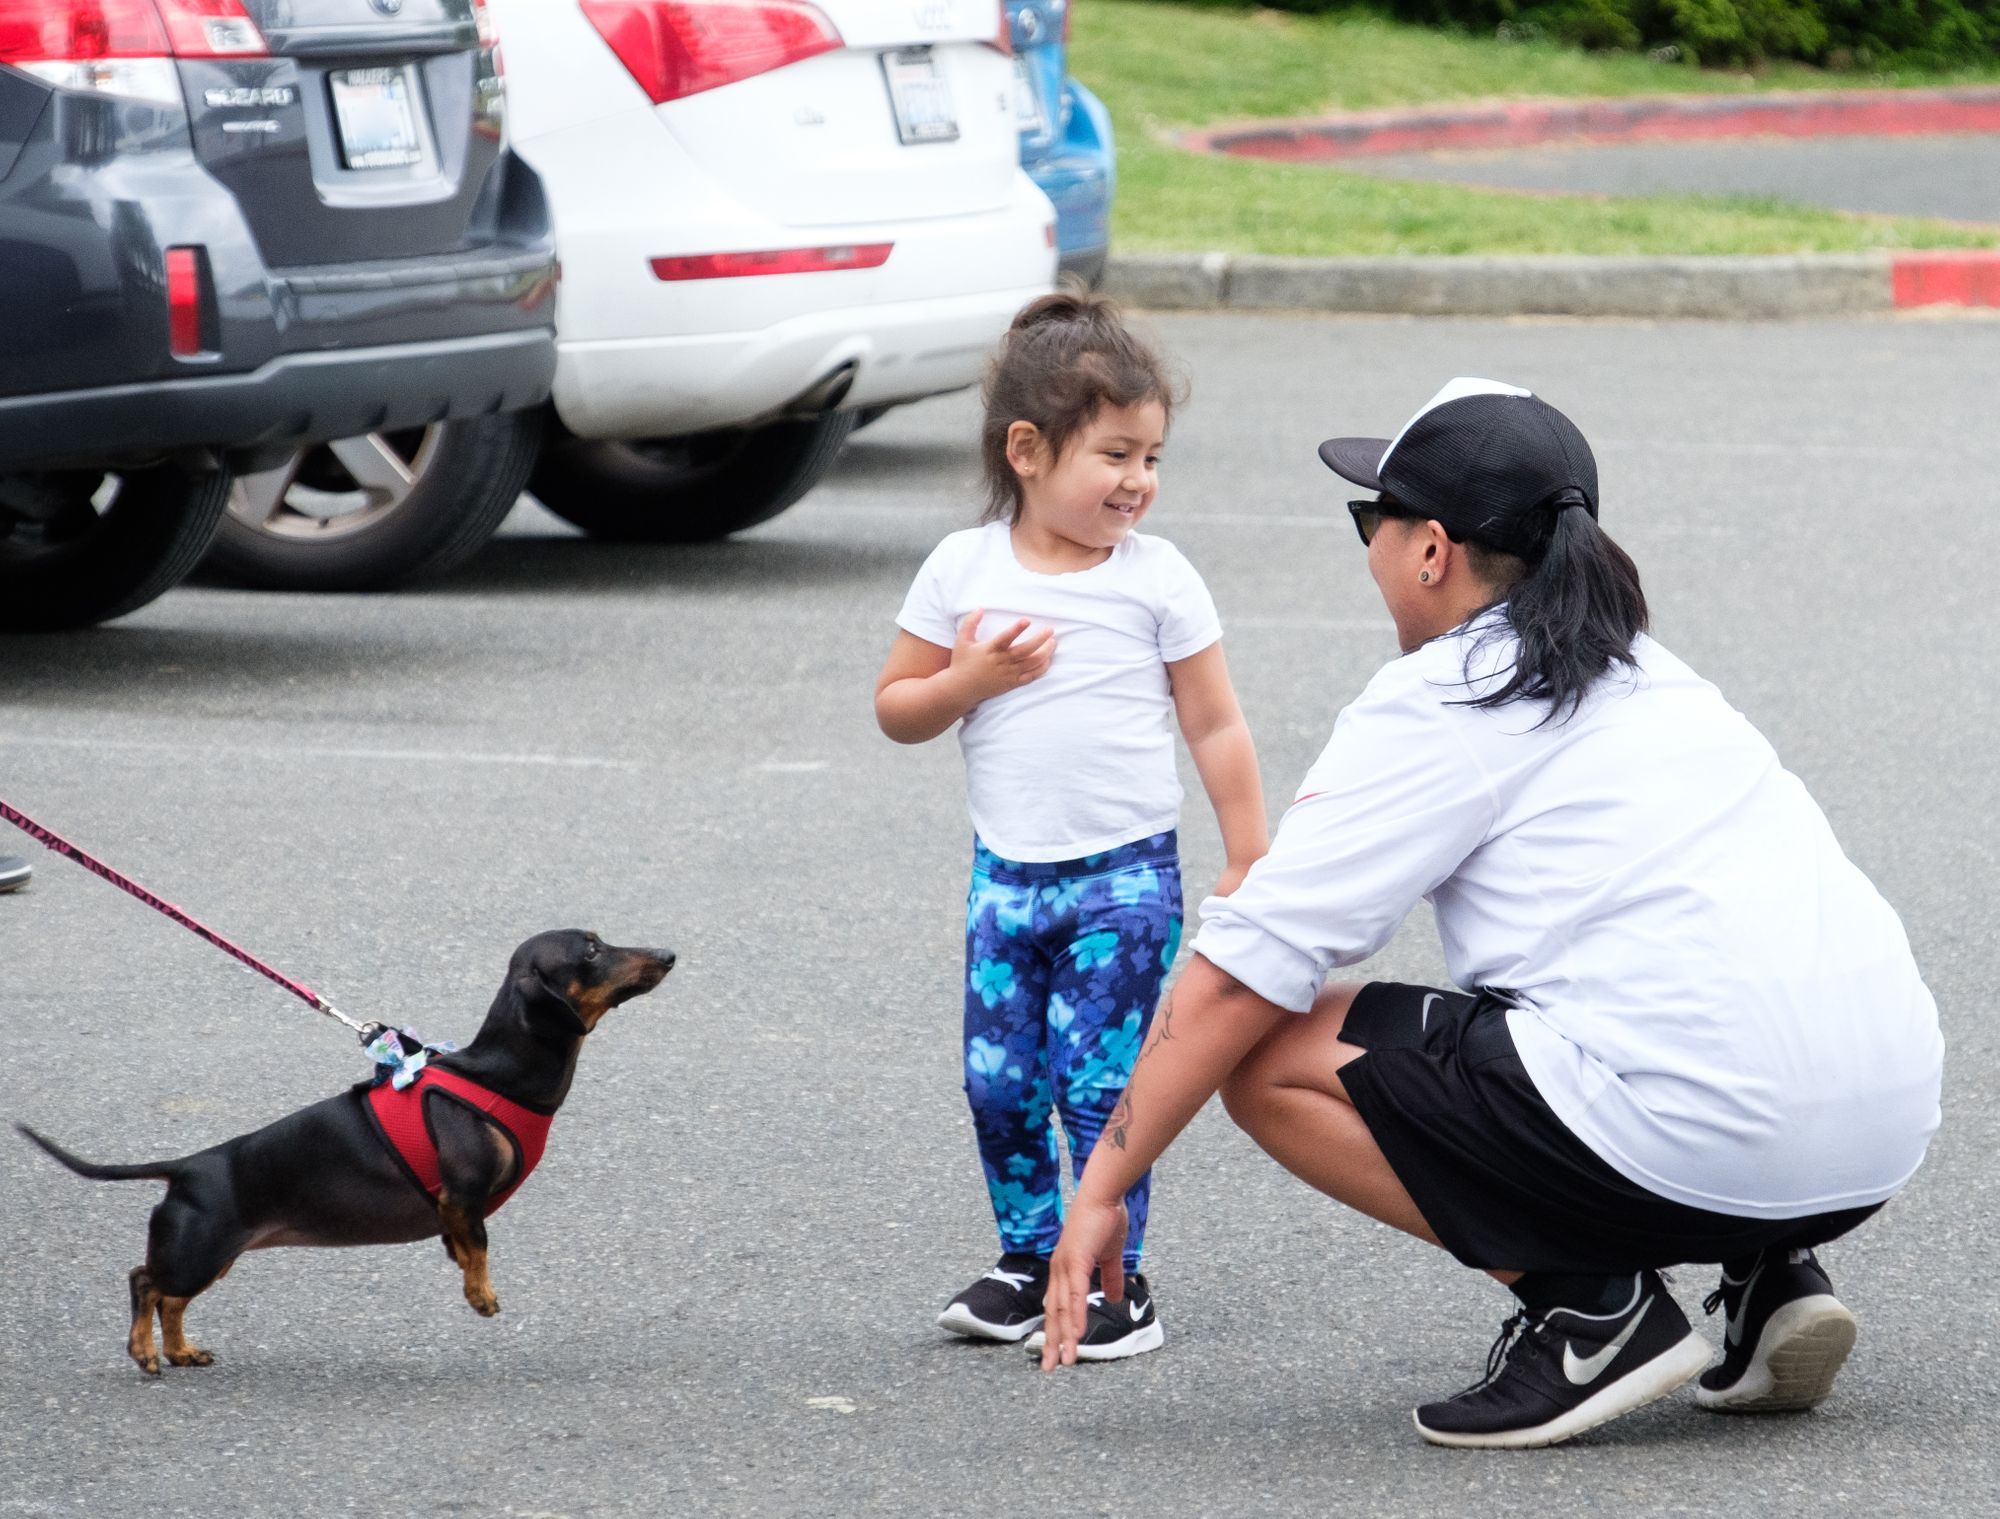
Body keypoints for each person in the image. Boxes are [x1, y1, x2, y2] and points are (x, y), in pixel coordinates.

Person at [1035, 377, 1943, 1447]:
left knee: (1270, 1054)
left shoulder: (1446, 696)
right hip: (1877, 1135)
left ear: (1429, 550)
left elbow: (1249, 968)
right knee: (1651, 996)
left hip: (1705, 1134)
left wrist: (1103, 1182)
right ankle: (1765, 1276)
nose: (1366, 543)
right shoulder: (1656, 673)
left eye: (1369, 519)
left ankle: (1590, 1311)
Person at [874, 291, 1267, 1361]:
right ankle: (1025, 1256)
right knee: (998, 1081)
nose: (1138, 481)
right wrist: (972, 677)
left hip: (1124, 879)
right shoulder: (962, 569)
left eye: (1151, 457)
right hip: (1005, 876)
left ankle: (1111, 1283)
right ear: (1027, 450)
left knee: (1095, 1083)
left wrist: (1247, 853)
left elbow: (1215, 722)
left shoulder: (1157, 579)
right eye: (1115, 454)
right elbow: (897, 708)